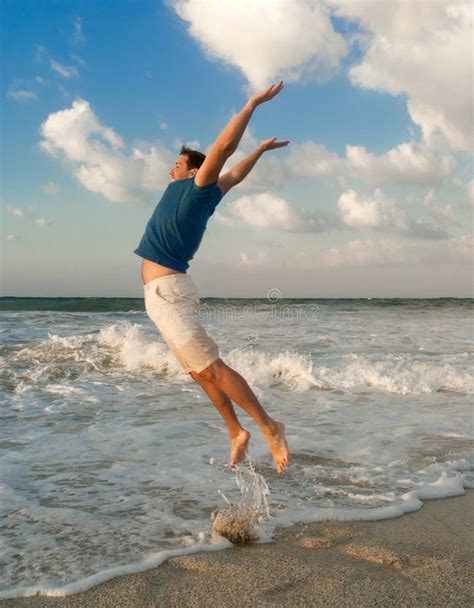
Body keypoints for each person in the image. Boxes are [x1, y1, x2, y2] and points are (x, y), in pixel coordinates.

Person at [134, 81, 290, 473]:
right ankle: (237, 431)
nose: (172, 166)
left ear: (193, 169)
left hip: (169, 292)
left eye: (177, 162)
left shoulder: (197, 188)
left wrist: (252, 105)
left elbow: (222, 153)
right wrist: (260, 150)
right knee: (198, 372)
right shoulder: (194, 191)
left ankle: (270, 426)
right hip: (159, 295)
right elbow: (235, 174)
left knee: (212, 367)